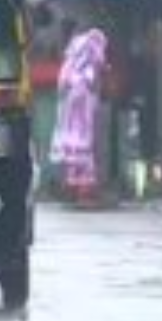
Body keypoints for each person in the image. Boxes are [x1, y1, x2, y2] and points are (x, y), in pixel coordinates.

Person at [50, 23, 109, 207]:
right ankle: (85, 191)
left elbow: (62, 85)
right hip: (83, 112)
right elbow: (93, 78)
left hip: (69, 117)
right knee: (86, 149)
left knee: (74, 152)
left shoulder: (70, 64)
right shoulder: (88, 64)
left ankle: (72, 187)